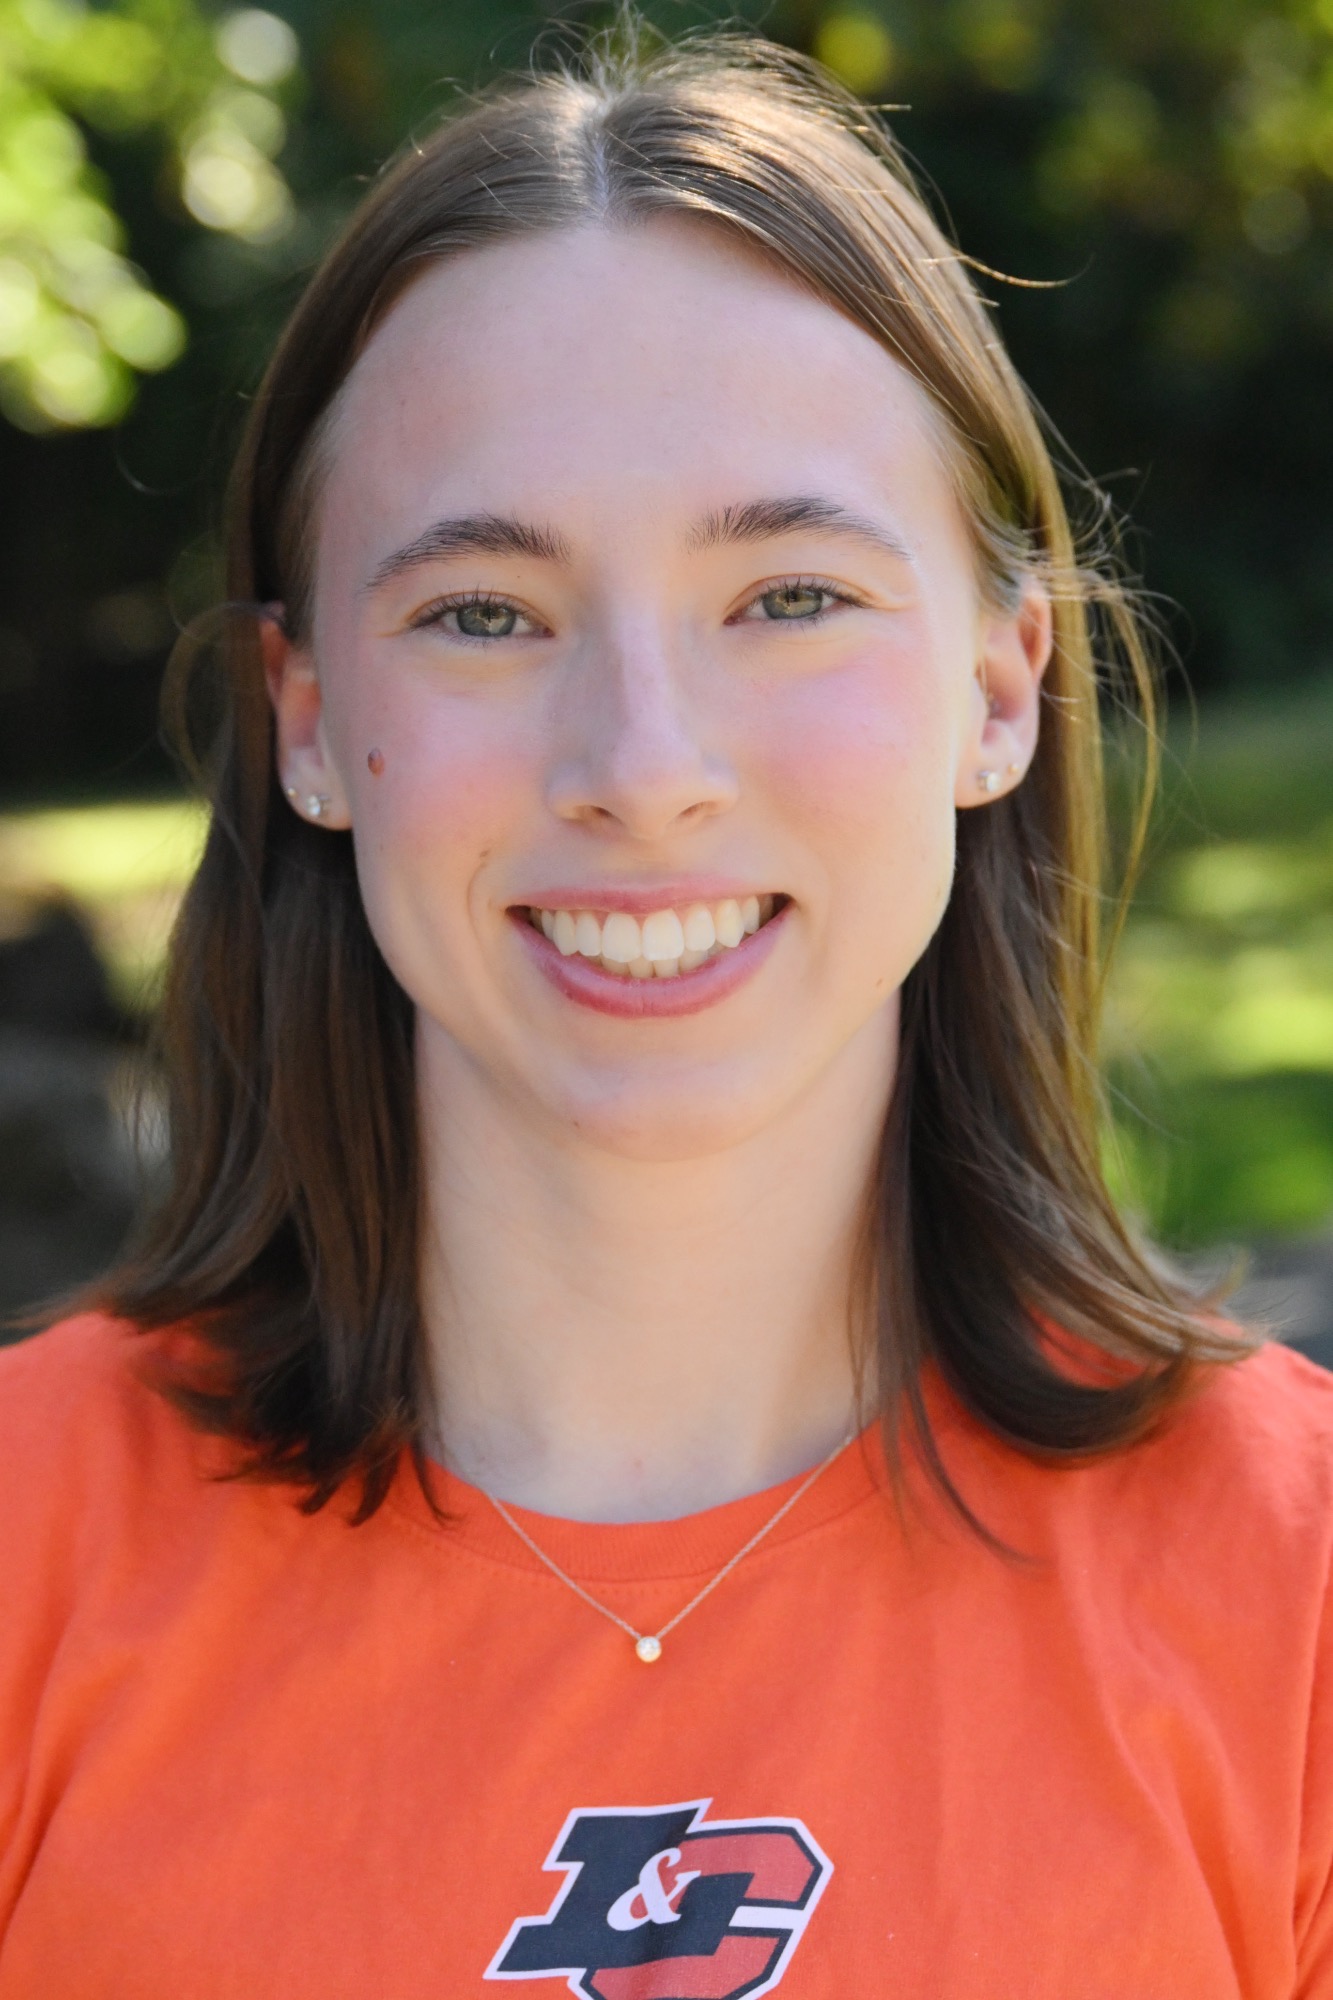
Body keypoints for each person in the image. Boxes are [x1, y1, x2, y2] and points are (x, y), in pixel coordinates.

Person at [1, 30, 1330, 2000]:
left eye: (787, 596)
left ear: (994, 686)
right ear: (309, 726)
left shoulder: (1293, 1593)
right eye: (483, 613)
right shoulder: (26, 1561)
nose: (641, 761)